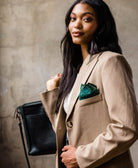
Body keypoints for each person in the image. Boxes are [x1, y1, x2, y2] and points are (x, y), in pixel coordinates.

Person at [40, 0, 138, 167]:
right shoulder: (76, 72)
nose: (76, 24)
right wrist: (53, 92)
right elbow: (64, 131)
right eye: (72, 19)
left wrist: (81, 155)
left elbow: (126, 127)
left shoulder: (110, 61)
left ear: (101, 25)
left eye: (86, 19)